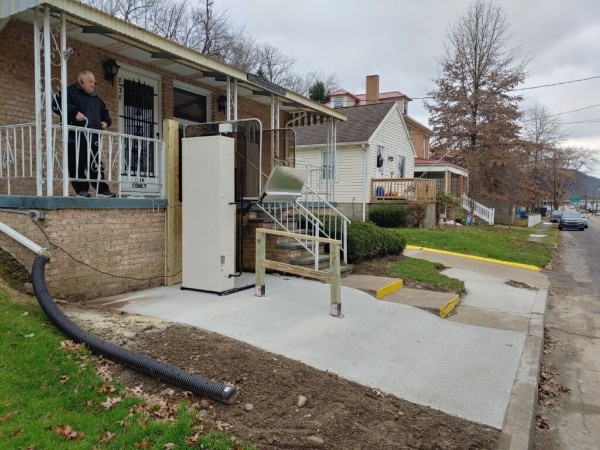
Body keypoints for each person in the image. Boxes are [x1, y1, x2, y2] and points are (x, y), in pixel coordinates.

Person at [53, 70, 116, 197]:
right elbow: (56, 104)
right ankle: (82, 190)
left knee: (96, 165)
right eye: (90, 82)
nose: (93, 85)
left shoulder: (96, 98)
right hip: (74, 137)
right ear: (81, 81)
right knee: (76, 165)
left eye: (94, 83)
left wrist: (106, 122)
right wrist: (74, 112)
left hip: (93, 138)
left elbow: (105, 113)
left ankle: (102, 190)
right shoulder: (69, 92)